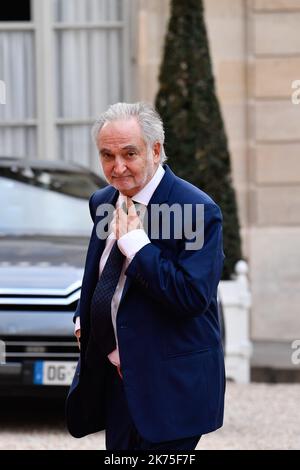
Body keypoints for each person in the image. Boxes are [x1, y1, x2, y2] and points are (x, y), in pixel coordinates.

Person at [66, 102, 225, 450]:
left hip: (170, 385)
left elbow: (192, 296)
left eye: (129, 153)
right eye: (107, 155)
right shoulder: (102, 201)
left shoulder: (197, 210)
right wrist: (84, 316)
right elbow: (99, 269)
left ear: (156, 150)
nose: (117, 167)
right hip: (117, 380)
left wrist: (137, 246)